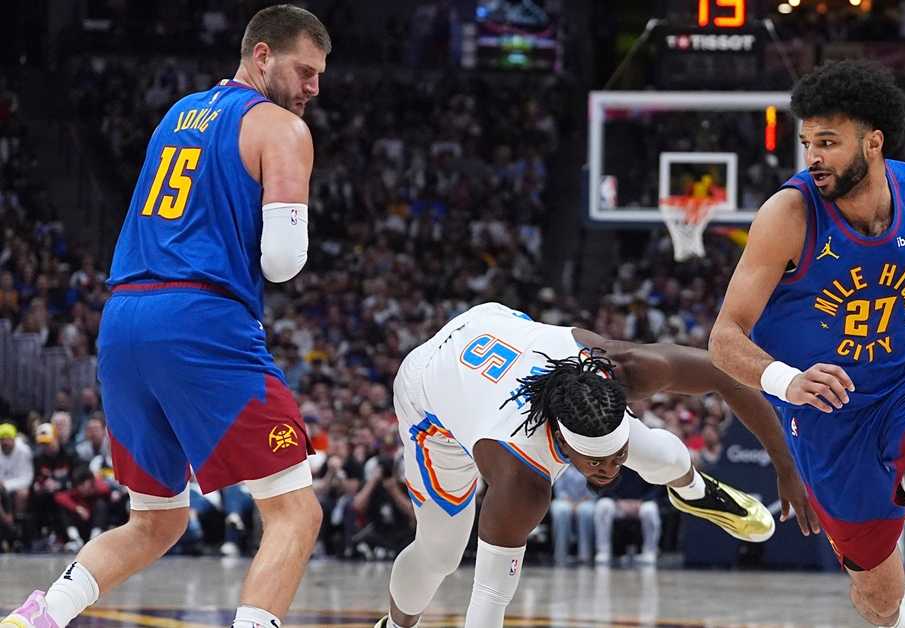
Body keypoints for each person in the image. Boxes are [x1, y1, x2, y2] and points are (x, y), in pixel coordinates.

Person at [4, 6, 331, 628]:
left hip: (125, 319)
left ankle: (38, 617)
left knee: (156, 520)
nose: (314, 87)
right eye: (305, 71)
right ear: (262, 55)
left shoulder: (177, 115)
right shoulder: (281, 128)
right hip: (200, 320)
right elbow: (283, 260)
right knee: (296, 512)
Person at [708, 60, 905, 627]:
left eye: (828, 142)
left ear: (873, 142)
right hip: (827, 415)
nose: (813, 157)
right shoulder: (787, 216)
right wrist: (789, 380)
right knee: (880, 599)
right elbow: (724, 337)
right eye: (808, 143)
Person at [379, 302, 809, 628]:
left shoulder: (622, 367)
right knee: (441, 554)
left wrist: (787, 467)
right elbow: (489, 599)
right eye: (597, 463)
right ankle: (394, 626)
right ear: (565, 443)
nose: (611, 471)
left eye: (617, 456)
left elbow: (727, 375)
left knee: (660, 454)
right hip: (430, 396)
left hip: (496, 324)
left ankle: (693, 491)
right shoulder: (521, 480)